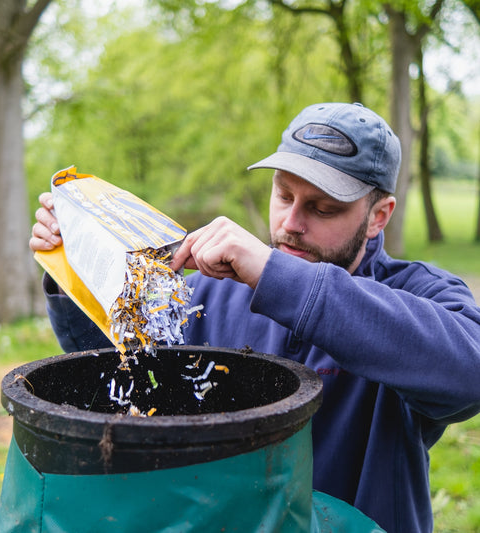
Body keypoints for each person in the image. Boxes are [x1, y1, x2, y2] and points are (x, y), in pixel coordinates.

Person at [30, 102, 480, 533]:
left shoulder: (417, 294)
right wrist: (73, 270)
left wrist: (274, 274)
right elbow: (119, 368)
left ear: (379, 215)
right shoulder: (209, 289)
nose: (290, 223)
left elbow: (469, 372)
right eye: (283, 195)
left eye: (324, 208)